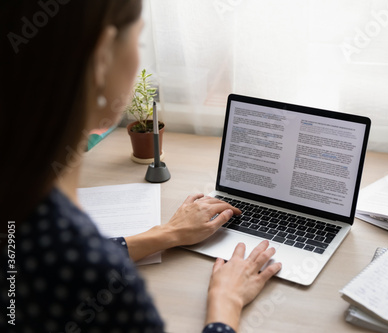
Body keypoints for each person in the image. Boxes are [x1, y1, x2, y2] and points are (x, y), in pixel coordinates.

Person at [0, 1, 282, 332]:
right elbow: (73, 263)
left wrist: (167, 233)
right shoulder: (91, 276)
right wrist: (227, 303)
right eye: (139, 41)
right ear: (102, 57)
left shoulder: (25, 211)